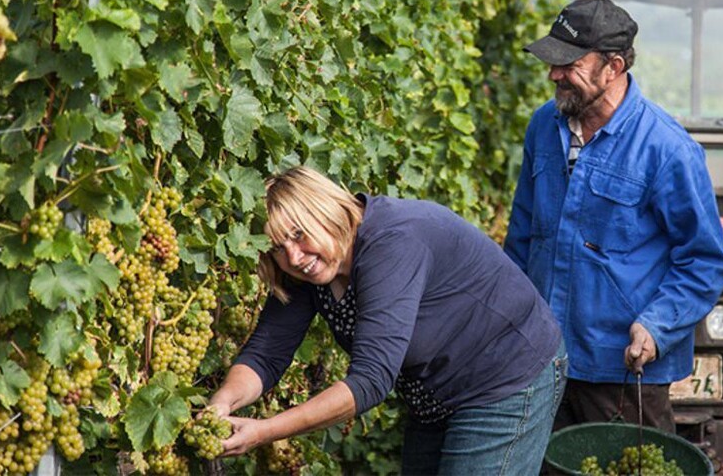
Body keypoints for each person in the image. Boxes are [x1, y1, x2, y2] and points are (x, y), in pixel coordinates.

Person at [208, 166, 566, 475]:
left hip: (506, 378)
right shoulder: (309, 266)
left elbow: (370, 381)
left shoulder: (391, 244)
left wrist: (265, 430)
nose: (294, 256)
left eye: (299, 235)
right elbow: (265, 354)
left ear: (325, 211)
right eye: (277, 248)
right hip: (435, 397)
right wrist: (221, 403)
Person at [503, 0, 723, 432]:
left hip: (621, 373)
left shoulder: (667, 150)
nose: (554, 74)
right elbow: (521, 239)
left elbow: (704, 262)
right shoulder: (543, 128)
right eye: (552, 63)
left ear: (614, 67)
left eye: (569, 64)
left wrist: (657, 327)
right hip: (540, 363)